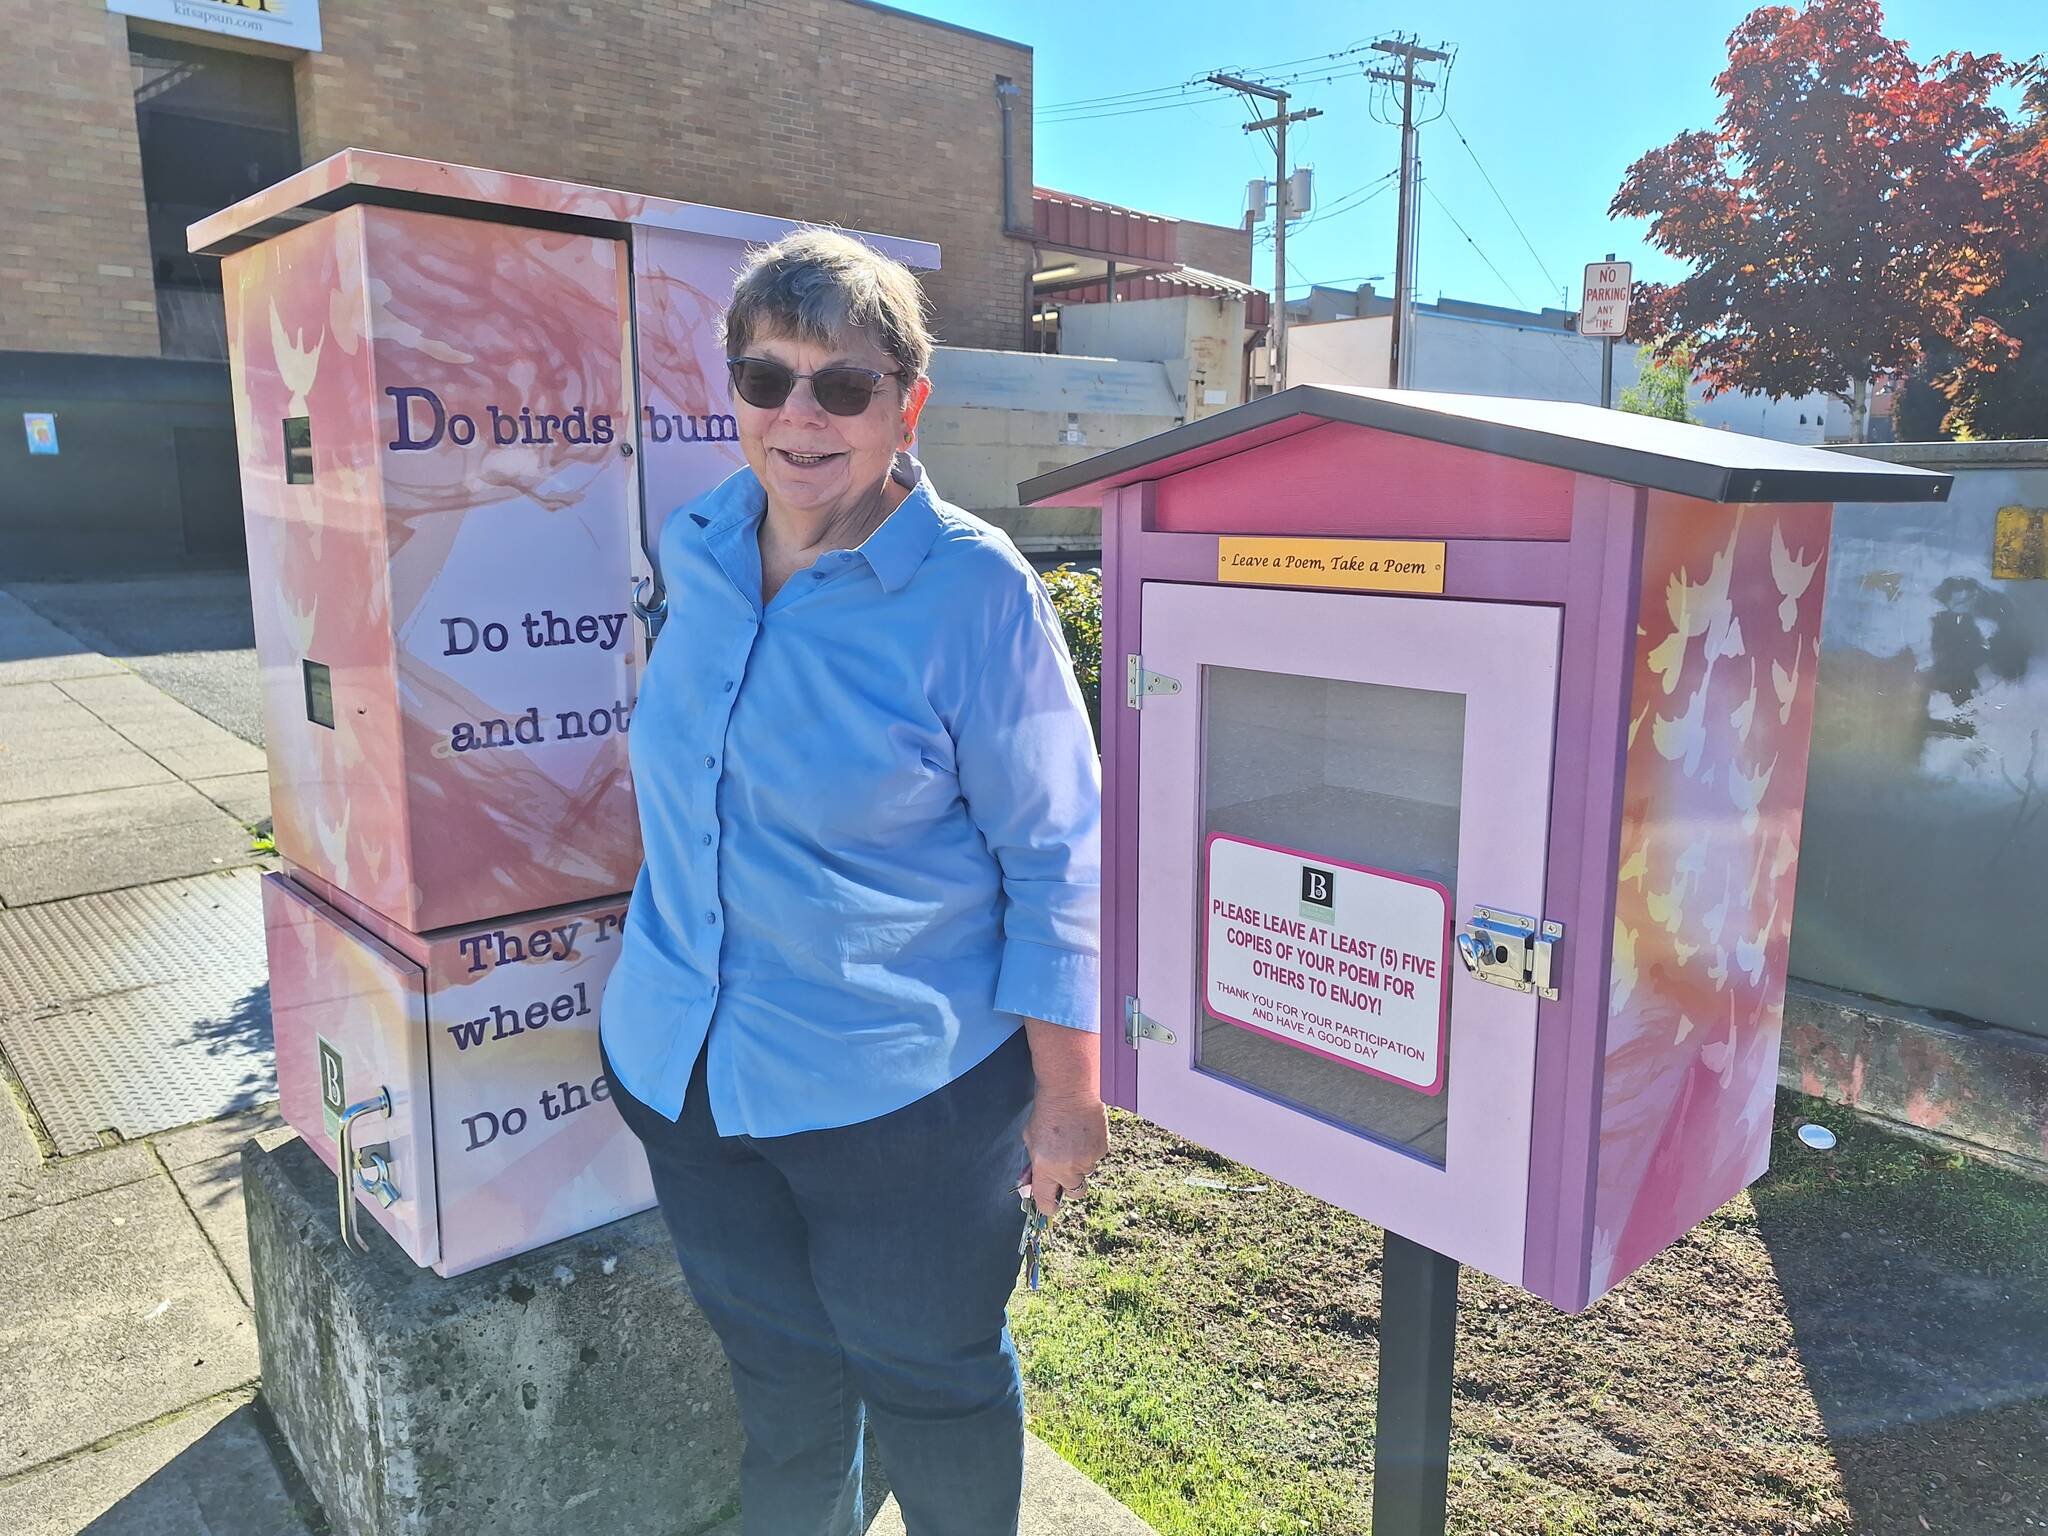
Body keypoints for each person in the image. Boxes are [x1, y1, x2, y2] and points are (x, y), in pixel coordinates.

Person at [599, 228, 1105, 1536]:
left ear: (906, 404)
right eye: (769, 381)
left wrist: (1067, 1101)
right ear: (734, 394)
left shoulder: (973, 594)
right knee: (781, 1385)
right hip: (688, 1077)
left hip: (903, 1106)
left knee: (930, 1390)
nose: (801, 417)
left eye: (845, 386)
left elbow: (1057, 857)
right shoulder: (698, 546)